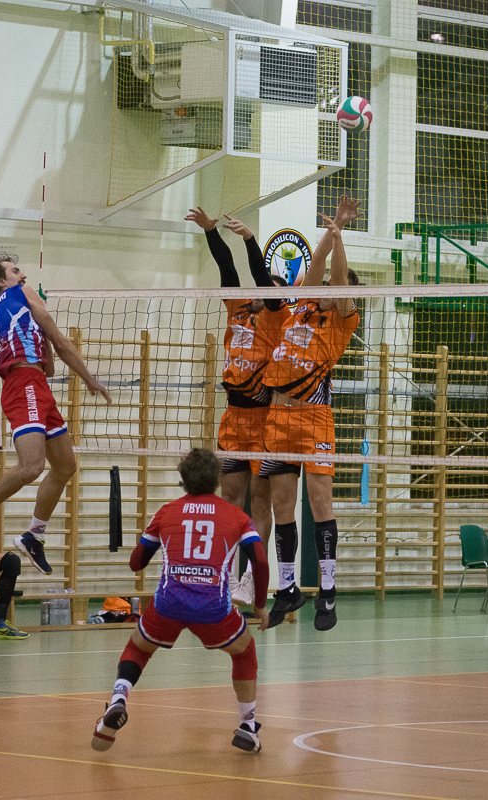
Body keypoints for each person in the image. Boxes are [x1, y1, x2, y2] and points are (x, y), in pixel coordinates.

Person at [90, 448, 270, 753]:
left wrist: (159, 539)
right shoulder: (237, 516)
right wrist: (260, 605)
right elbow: (261, 562)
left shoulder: (166, 512)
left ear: (183, 480)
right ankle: (248, 726)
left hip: (168, 604)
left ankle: (119, 698)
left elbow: (136, 563)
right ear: (217, 479)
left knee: (138, 648)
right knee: (244, 651)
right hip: (213, 608)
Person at [0, 255, 112, 575]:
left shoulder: (8, 311)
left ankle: (34, 534)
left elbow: (49, 366)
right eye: (15, 270)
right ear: (2, 281)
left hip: (36, 384)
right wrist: (89, 380)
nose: (23, 274)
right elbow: (61, 344)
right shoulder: (19, 292)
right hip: (23, 385)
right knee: (32, 466)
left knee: (65, 465)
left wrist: (38, 320)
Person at [260, 196, 362, 632]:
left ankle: (328, 590)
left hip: (314, 418)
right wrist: (331, 230)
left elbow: (335, 278)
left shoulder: (342, 320)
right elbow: (317, 268)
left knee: (320, 503)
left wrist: (340, 239)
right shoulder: (302, 305)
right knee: (281, 504)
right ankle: (287, 589)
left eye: (337, 289)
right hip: (277, 416)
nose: (327, 287)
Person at [184, 206, 288, 606]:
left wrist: (250, 239)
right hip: (233, 419)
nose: (261, 292)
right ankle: (223, 576)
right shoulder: (239, 308)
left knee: (260, 502)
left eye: (269, 290)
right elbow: (227, 269)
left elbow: (259, 275)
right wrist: (212, 232)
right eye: (262, 289)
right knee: (229, 500)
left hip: (263, 422)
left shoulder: (278, 319)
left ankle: (250, 579)